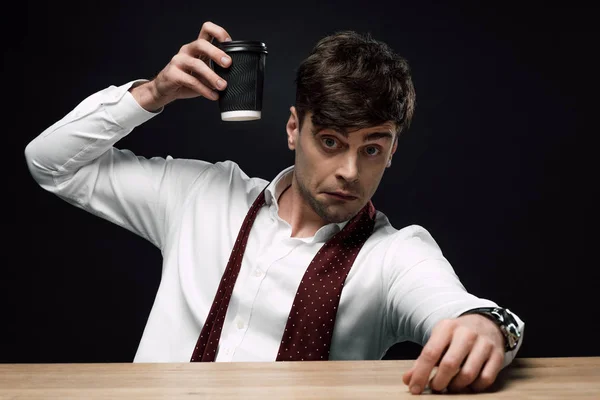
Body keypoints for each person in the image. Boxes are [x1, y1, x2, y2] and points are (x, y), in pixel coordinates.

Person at [25, 21, 524, 395]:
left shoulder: (394, 256)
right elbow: (51, 163)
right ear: (293, 129)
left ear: (392, 151)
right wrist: (151, 94)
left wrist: (486, 326)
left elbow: (461, 309)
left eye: (372, 148)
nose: (350, 170)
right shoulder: (203, 196)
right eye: (330, 141)